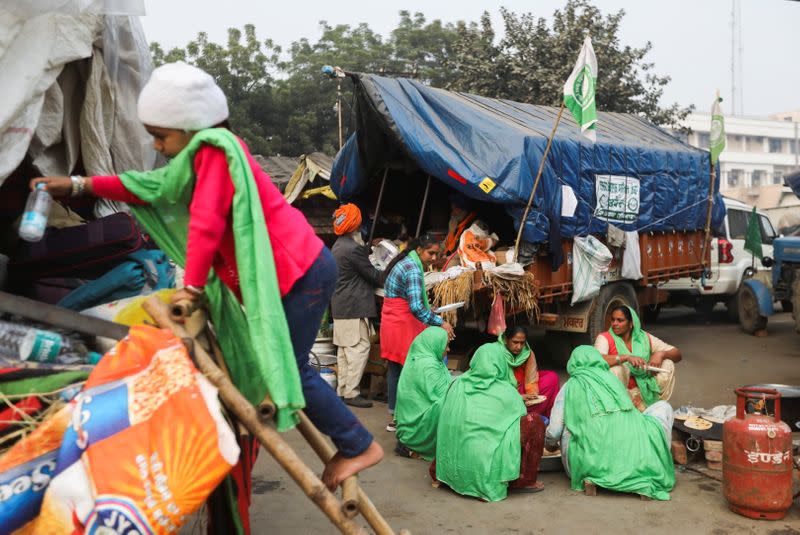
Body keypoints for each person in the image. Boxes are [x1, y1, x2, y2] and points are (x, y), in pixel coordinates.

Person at [31, 62, 383, 499]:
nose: (157, 146)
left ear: (190, 127)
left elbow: (206, 222)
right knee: (268, 366)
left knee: (289, 367)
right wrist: (81, 186)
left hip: (300, 271)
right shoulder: (199, 156)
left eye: (161, 135)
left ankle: (359, 444)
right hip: (295, 272)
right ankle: (311, 441)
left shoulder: (216, 150)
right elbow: (150, 186)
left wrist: (193, 286)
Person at [544, 346, 675, 500]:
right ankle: (646, 459)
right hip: (634, 462)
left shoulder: (569, 386)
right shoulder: (614, 380)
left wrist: (549, 445)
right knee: (663, 407)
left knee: (571, 424)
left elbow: (553, 432)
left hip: (584, 466)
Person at [432, 336, 546, 502]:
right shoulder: (507, 391)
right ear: (500, 363)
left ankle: (448, 472)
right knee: (534, 422)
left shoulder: (457, 384)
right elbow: (521, 418)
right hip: (485, 472)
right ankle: (524, 481)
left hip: (451, 467)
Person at [381, 234, 455, 432]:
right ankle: (403, 419)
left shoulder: (407, 261)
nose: (433, 258)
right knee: (409, 371)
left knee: (396, 369)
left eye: (437, 254)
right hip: (402, 323)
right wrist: (441, 322)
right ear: (420, 250)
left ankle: (395, 416)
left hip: (391, 321)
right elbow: (416, 307)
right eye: (431, 253)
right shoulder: (412, 268)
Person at [330, 203, 382, 408]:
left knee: (344, 351)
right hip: (353, 307)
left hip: (341, 307)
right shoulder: (353, 250)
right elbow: (374, 276)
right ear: (354, 226)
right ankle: (352, 393)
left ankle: (342, 390)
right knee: (359, 349)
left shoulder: (338, 246)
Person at [594, 306, 682, 411]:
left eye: (620, 320)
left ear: (631, 323)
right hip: (620, 390)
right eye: (613, 319)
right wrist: (626, 357)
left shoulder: (643, 337)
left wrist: (660, 354)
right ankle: (623, 405)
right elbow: (596, 360)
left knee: (668, 363)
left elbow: (677, 354)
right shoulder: (605, 337)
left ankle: (644, 400)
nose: (614, 324)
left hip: (643, 389)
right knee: (616, 369)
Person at [395, 326, 452, 460]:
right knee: (452, 406)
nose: (448, 349)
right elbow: (445, 395)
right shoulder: (428, 366)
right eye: (446, 345)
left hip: (410, 426)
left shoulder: (422, 358)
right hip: (416, 427)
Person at [501, 326, 560, 419]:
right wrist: (518, 396)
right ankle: (523, 414)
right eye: (515, 342)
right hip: (506, 389)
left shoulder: (527, 353)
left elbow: (531, 377)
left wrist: (532, 394)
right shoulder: (497, 352)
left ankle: (532, 413)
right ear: (506, 339)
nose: (519, 347)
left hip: (522, 385)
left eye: (522, 343)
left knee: (552, 378)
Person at [443, 192, 477, 258]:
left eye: (456, 209)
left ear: (464, 209)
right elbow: (445, 244)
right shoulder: (455, 222)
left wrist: (445, 259)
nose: (453, 212)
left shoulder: (475, 225)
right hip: (449, 256)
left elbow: (467, 250)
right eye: (452, 208)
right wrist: (439, 251)